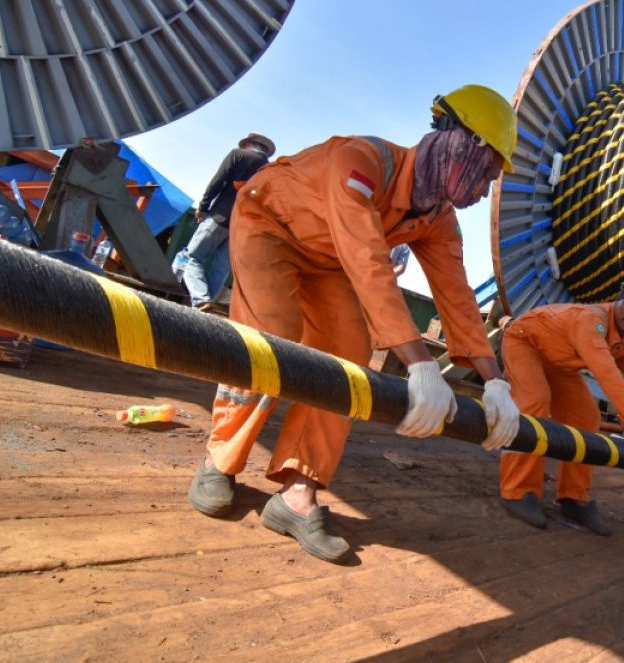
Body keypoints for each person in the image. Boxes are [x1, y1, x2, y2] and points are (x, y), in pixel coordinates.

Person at [187, 85, 522, 562]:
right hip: (269, 223)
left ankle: (296, 494)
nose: (486, 187)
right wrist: (422, 366)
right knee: (268, 341)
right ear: (461, 140)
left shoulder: (437, 218)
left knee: (347, 359)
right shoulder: (360, 161)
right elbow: (367, 260)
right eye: (489, 169)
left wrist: (495, 383)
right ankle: (218, 460)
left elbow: (458, 298)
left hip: (328, 261)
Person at [498, 268, 624, 536]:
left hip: (558, 364)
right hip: (525, 342)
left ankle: (573, 498)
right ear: (619, 298)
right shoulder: (590, 321)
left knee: (587, 418)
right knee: (534, 403)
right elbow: (608, 376)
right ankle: (518, 491)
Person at [182, 133, 276, 309]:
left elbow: (217, 181)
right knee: (220, 270)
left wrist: (203, 206)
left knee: (192, 258)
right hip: (241, 228)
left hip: (219, 218)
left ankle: (201, 299)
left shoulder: (238, 155)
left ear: (248, 143)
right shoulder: (271, 171)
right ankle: (204, 307)